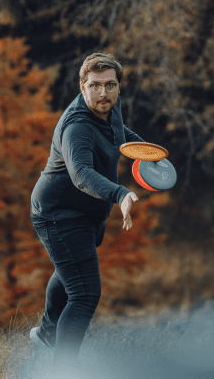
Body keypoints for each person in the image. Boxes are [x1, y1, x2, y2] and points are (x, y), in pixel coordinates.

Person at [29, 52, 143, 367]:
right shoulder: (76, 126)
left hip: (87, 212)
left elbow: (119, 136)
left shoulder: (110, 108)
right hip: (58, 213)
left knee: (72, 272)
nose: (103, 93)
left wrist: (149, 153)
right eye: (95, 86)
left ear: (119, 87)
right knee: (85, 293)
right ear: (82, 86)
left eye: (110, 85)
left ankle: (47, 333)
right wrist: (120, 193)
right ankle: (62, 370)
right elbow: (81, 175)